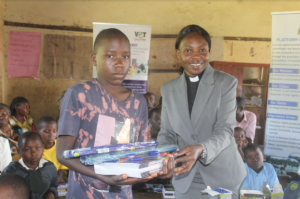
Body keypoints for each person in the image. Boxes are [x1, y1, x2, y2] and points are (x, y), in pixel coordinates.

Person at [56, 28, 168, 199]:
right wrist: (99, 174)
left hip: (121, 194)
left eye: (125, 56)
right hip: (84, 193)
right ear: (94, 58)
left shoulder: (138, 102)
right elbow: (62, 154)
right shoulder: (80, 94)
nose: (119, 63)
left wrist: (160, 166)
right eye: (110, 56)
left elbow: (139, 154)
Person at [157, 24, 246, 199]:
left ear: (209, 52)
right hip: (185, 175)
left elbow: (225, 131)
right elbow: (166, 132)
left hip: (222, 176)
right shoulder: (168, 89)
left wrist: (202, 148)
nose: (196, 56)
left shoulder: (226, 84)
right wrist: (164, 157)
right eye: (188, 51)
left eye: (202, 50)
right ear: (178, 54)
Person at [2, 131, 58, 199]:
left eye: (37, 148)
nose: (34, 153)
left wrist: (51, 194)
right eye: (27, 149)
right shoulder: (11, 171)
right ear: (19, 151)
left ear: (43, 148)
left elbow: (53, 186)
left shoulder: (49, 167)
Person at [37, 116, 68, 183]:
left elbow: (61, 171)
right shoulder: (35, 148)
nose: (51, 135)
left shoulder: (61, 146)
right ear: (38, 132)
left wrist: (53, 185)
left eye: (54, 131)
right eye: (47, 131)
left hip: (57, 177)